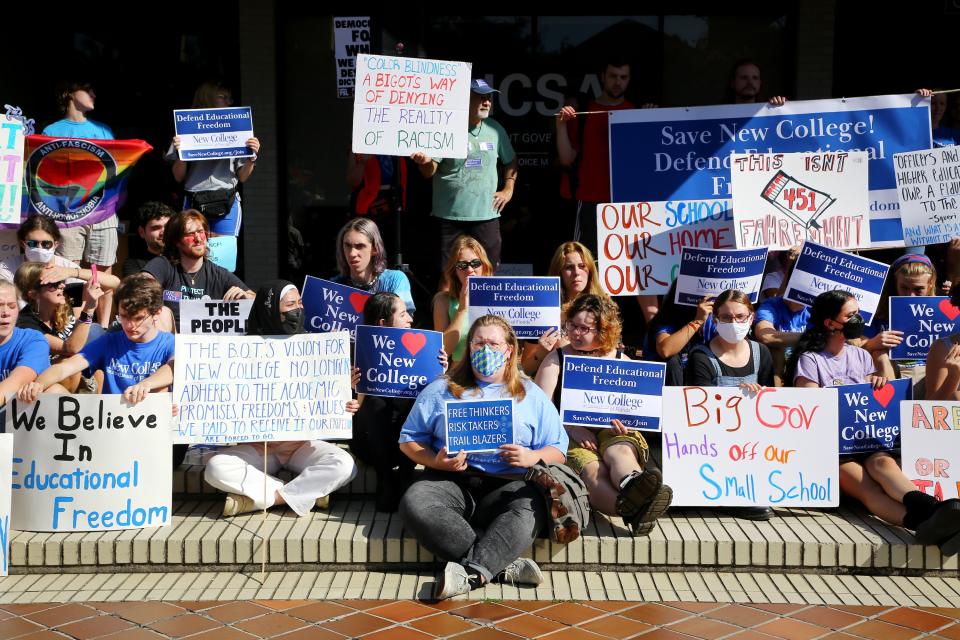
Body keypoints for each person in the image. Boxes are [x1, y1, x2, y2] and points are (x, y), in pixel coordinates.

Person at [399, 314, 568, 599]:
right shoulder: (442, 389)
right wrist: (435, 461)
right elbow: (409, 440)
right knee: (415, 501)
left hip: (509, 484)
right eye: (478, 343)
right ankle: (498, 564)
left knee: (530, 506)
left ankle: (474, 572)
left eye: (493, 343)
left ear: (509, 349)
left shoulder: (531, 394)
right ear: (469, 348)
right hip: (452, 481)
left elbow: (559, 449)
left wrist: (531, 457)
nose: (485, 349)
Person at [785, 290, 960, 548]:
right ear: (830, 323)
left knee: (884, 466)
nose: (858, 320)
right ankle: (925, 522)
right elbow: (811, 407)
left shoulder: (861, 356)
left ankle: (935, 513)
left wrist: (879, 380)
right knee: (867, 488)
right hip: (832, 449)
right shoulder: (810, 360)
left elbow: (879, 397)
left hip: (866, 441)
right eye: (851, 315)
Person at [201, 281, 359, 517]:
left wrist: (344, 399)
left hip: (301, 444)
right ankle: (301, 495)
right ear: (271, 310)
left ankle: (261, 500)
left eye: (300, 303)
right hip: (259, 446)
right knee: (215, 468)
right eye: (290, 304)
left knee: (345, 465)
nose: (298, 309)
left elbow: (323, 397)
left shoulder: (315, 347)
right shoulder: (242, 350)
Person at [535, 294, 672, 534]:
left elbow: (637, 406)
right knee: (592, 469)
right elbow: (540, 411)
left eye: (584, 328)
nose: (576, 333)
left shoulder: (621, 359)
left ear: (603, 330)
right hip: (570, 434)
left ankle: (632, 484)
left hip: (613, 432)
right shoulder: (556, 359)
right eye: (572, 326)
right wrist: (571, 428)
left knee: (619, 451)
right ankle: (634, 509)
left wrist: (627, 423)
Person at [15, 273, 181, 461]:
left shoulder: (169, 343)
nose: (130, 325)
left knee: (160, 392)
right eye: (124, 316)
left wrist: (146, 385)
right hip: (113, 429)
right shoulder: (110, 341)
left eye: (138, 318)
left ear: (157, 313)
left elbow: (174, 367)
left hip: (152, 434)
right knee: (52, 388)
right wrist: (37, 384)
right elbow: (66, 368)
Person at [351, 291, 446, 512]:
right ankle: (386, 480)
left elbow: (435, 400)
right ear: (383, 323)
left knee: (417, 403)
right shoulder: (358, 352)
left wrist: (441, 371)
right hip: (371, 441)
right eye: (403, 314)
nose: (410, 319)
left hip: (407, 445)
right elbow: (353, 408)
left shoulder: (425, 351)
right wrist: (353, 387)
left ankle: (405, 475)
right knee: (376, 402)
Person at [686, 289, 776, 520]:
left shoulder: (762, 352)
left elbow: (773, 403)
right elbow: (699, 410)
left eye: (740, 317)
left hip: (755, 440)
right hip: (714, 443)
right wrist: (735, 399)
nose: (733, 322)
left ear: (751, 318)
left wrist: (760, 397)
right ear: (715, 320)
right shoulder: (701, 357)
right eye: (726, 317)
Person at [411, 79, 517, 267]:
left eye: (489, 98)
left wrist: (508, 188)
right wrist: (425, 162)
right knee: (447, 276)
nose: (487, 102)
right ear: (464, 100)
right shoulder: (446, 128)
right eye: (481, 98)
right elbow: (429, 172)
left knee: (488, 273)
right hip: (449, 217)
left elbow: (511, 161)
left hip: (487, 215)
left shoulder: (495, 129)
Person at [43, 81, 119, 327]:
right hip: (67, 212)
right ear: (70, 93)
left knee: (103, 271)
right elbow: (43, 171)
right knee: (69, 268)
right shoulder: (51, 130)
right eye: (89, 89)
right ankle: (73, 327)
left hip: (103, 209)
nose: (94, 94)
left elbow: (115, 167)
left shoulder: (104, 130)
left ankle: (104, 328)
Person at [555, 59, 635, 254]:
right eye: (613, 76)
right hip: (590, 201)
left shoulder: (635, 112)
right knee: (586, 263)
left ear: (629, 80)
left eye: (623, 77)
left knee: (626, 264)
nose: (618, 82)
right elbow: (567, 159)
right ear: (603, 77)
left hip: (627, 205)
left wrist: (653, 118)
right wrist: (561, 125)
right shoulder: (585, 111)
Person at [168, 81, 261, 238]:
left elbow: (243, 176)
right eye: (223, 97)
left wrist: (252, 158)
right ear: (206, 98)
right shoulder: (186, 128)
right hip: (194, 200)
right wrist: (181, 153)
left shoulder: (237, 130)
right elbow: (178, 176)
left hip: (227, 199)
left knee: (223, 255)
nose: (228, 102)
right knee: (193, 253)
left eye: (230, 98)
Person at [141, 210, 254, 330]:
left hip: (209, 344)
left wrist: (246, 297)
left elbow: (255, 297)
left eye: (201, 232)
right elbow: (140, 285)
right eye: (190, 234)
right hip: (172, 342)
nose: (198, 238)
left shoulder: (219, 274)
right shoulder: (164, 265)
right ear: (176, 241)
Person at [13, 262, 104, 391]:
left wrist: (71, 272)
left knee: (99, 371)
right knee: (68, 364)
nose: (61, 286)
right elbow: (71, 349)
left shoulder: (64, 296)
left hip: (73, 372)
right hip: (42, 383)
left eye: (61, 280)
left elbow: (114, 283)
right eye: (53, 284)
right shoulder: (24, 323)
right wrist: (89, 309)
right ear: (33, 294)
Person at [521, 241, 606, 375]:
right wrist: (542, 352)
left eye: (582, 266)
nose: (576, 272)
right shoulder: (543, 311)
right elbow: (525, 369)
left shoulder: (605, 306)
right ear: (558, 272)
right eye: (569, 267)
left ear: (590, 270)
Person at [0, 215, 120, 309]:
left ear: (56, 244)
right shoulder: (6, 269)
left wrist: (72, 272)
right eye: (33, 243)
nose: (39, 248)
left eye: (46, 244)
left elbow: (114, 282)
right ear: (23, 243)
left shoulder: (66, 268)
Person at [862, 254, 937, 383]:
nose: (910, 296)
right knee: (879, 353)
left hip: (928, 374)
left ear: (930, 284)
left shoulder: (941, 313)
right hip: (888, 375)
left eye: (918, 289)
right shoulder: (877, 313)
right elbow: (851, 353)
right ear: (894, 283)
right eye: (904, 288)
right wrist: (872, 343)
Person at [432, 235, 494, 366]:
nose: (470, 270)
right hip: (460, 377)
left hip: (494, 375)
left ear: (484, 266)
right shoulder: (442, 301)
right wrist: (462, 309)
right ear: (454, 270)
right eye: (462, 265)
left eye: (475, 263)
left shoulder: (498, 297)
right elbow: (443, 352)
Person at [330, 218, 414, 312]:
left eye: (360, 246)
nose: (352, 253)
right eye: (347, 245)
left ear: (375, 249)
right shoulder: (334, 284)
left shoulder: (394, 280)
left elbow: (405, 322)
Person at [0, 279, 50, 411]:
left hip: (19, 415)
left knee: (55, 390)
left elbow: (15, 384)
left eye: (11, 306)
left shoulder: (33, 340)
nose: (5, 313)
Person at [123, 202, 174, 277]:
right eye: (156, 228)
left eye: (167, 226)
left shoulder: (184, 258)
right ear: (142, 232)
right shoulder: (134, 265)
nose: (163, 232)